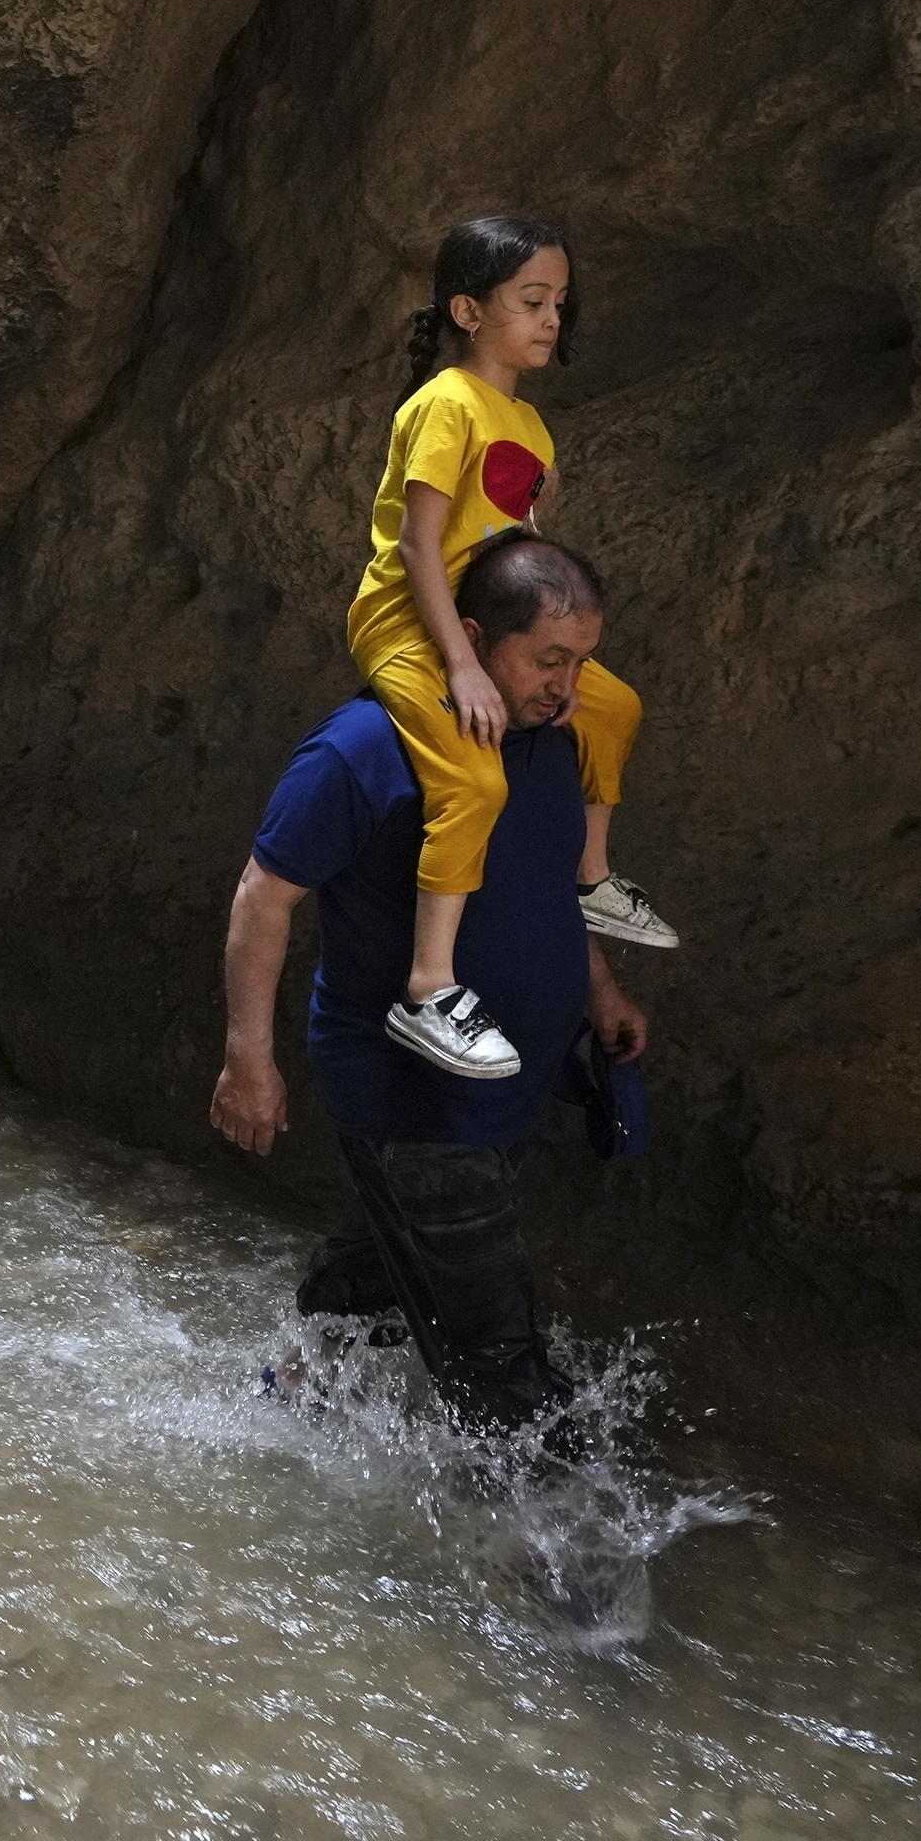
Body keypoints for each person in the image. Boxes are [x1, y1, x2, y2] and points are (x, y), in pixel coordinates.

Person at [217, 533, 653, 1442]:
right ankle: (562, 1549)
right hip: (414, 1096)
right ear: (471, 635)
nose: (567, 686)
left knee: (381, 1262)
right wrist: (247, 1059)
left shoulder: (545, 740)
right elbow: (265, 895)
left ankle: (283, 1411)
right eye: (547, 659)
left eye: (581, 661)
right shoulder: (365, 747)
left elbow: (548, 880)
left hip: (511, 1082)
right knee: (499, 1357)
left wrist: (598, 988)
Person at [342, 216, 678, 1083]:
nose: (551, 320)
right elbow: (421, 547)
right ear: (468, 308)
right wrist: (460, 665)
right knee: (474, 776)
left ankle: (592, 875)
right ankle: (428, 990)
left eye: (559, 304)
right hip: (410, 622)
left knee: (612, 705)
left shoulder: (526, 422)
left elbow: (513, 548)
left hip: (486, 621)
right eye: (532, 301)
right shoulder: (445, 402)